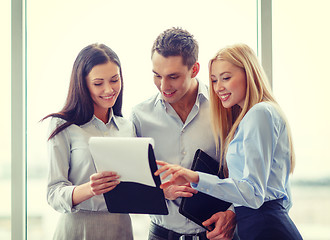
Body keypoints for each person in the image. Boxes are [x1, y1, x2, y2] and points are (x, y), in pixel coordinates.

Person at [155, 43, 303, 240]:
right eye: (214, 80)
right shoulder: (255, 115)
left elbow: (253, 193)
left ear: (249, 74)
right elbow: (284, 197)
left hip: (264, 227)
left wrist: (195, 178)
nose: (218, 88)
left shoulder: (259, 113)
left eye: (226, 78)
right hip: (261, 225)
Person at [131, 27, 237, 240]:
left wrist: (233, 213)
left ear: (195, 69)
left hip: (218, 234)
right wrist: (161, 193)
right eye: (157, 75)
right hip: (161, 234)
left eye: (173, 76)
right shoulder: (140, 116)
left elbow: (247, 175)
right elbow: (132, 184)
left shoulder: (226, 108)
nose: (163, 86)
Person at [42, 43, 135, 240]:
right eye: (98, 83)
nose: (109, 89)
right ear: (82, 84)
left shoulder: (127, 127)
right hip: (77, 228)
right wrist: (88, 189)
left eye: (114, 80)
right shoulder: (63, 125)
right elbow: (53, 193)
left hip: (121, 228)